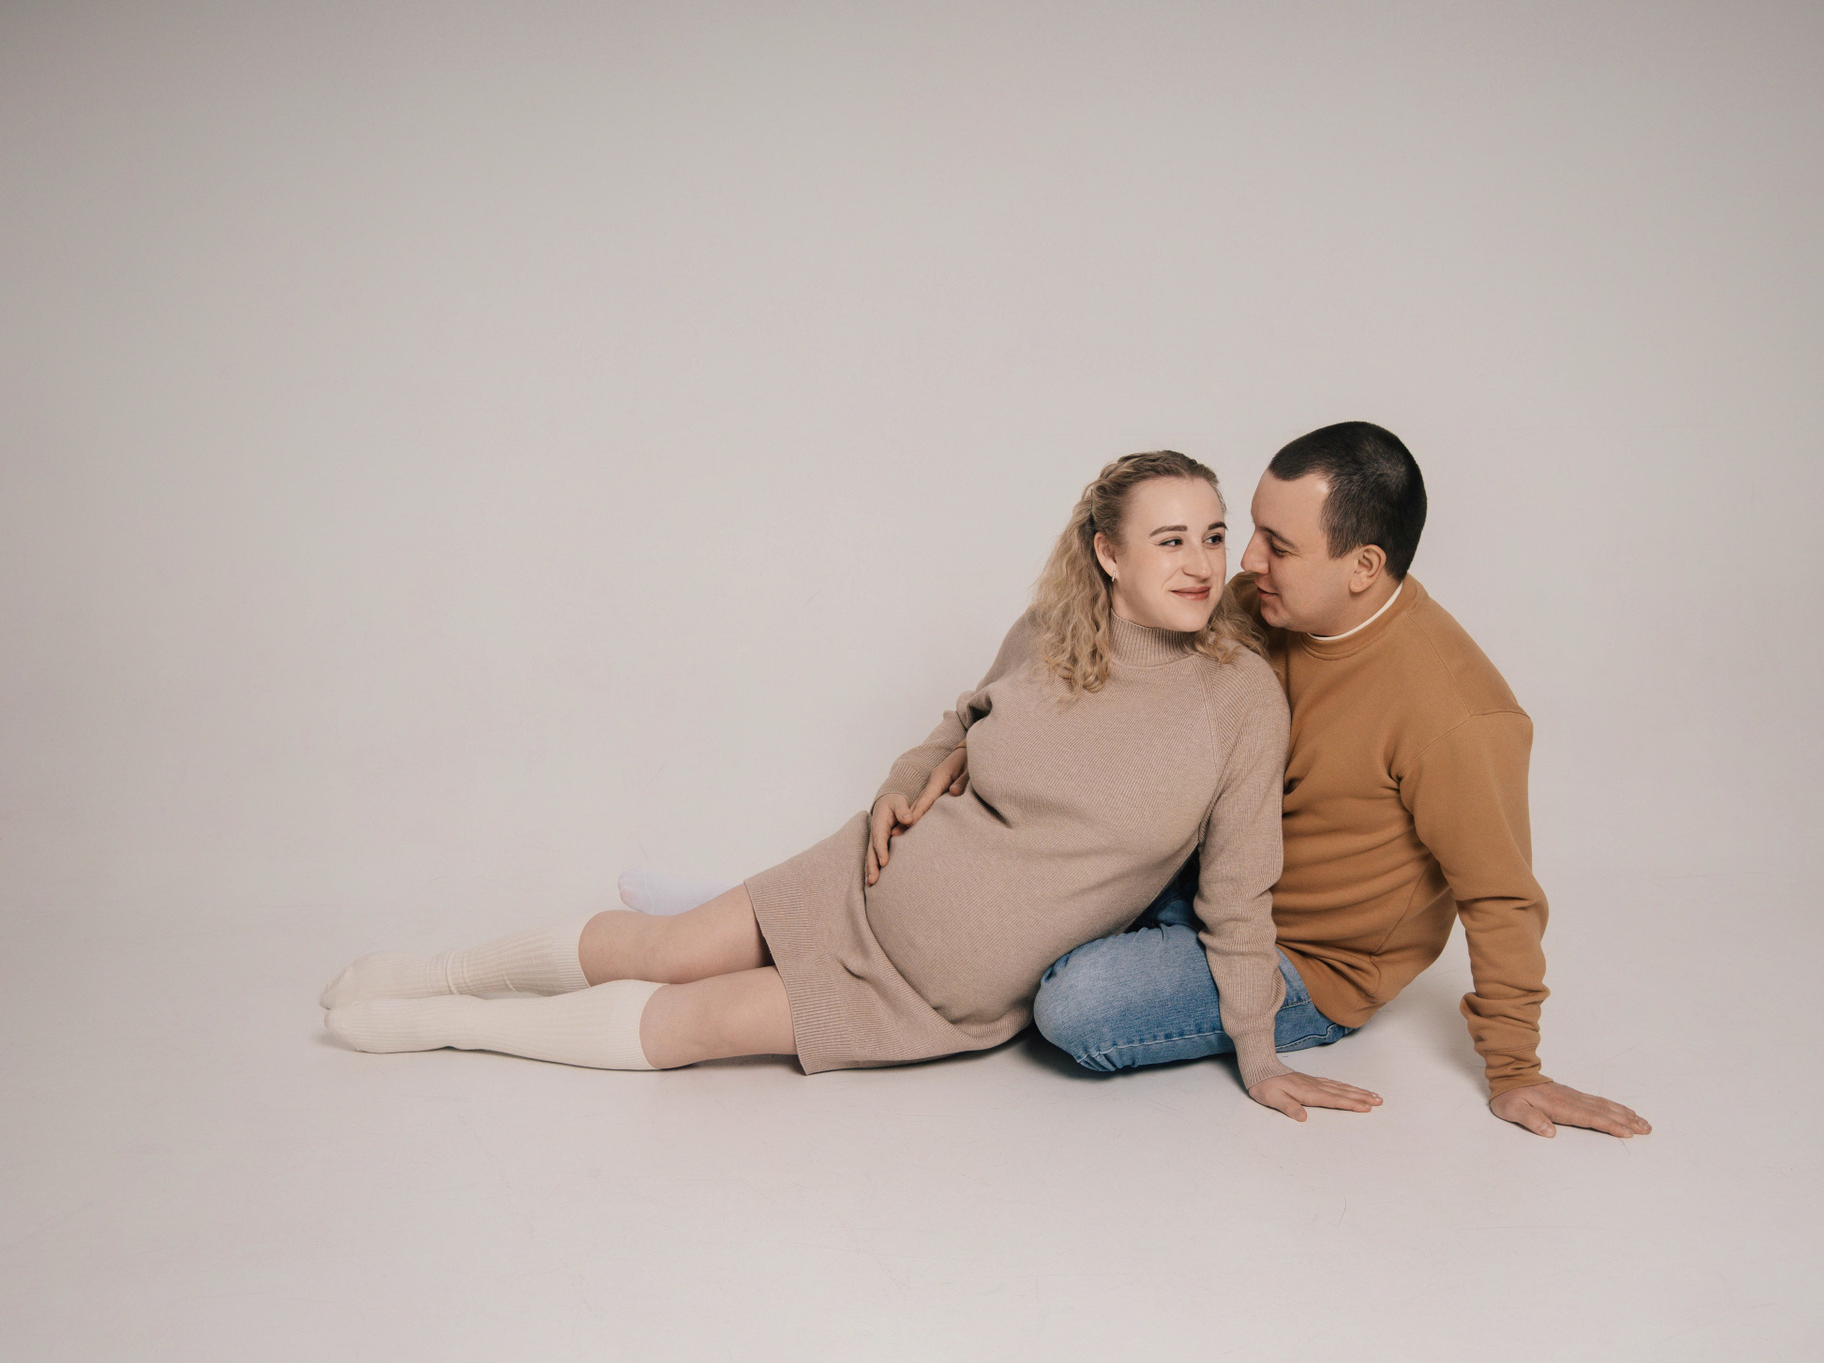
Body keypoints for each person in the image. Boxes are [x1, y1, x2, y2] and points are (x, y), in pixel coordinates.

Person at [321, 451, 1381, 1120]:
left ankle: (445, 1029)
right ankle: (440, 974)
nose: (1201, 563)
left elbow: (1238, 893)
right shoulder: (1054, 631)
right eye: (1170, 540)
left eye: (1212, 537)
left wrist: (1258, 1052)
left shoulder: (1240, 701)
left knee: (695, 1023)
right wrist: (900, 785)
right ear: (1108, 553)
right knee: (663, 947)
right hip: (863, 877)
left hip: (928, 990)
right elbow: (962, 723)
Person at [1022, 423, 1653, 1138]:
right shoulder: (1263, 606)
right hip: (1206, 878)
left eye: (1280, 546)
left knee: (1076, 1004)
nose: (1247, 560)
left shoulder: (1457, 712)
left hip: (1302, 960)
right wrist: (972, 740)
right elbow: (1111, 640)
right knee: (1007, 899)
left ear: (1363, 566)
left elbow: (1501, 897)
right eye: (1254, 530)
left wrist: (1517, 1071)